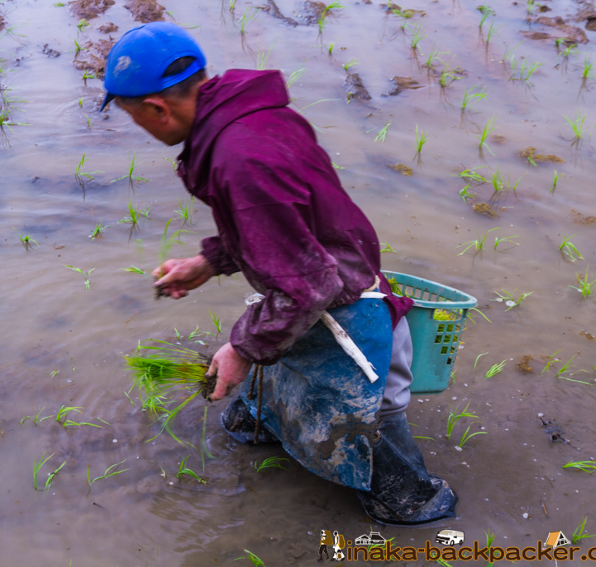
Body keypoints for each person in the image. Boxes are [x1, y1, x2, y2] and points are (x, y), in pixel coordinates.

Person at [100, 22, 457, 526]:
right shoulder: (247, 117)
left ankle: (416, 503)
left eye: (134, 117)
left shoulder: (240, 158)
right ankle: (264, 427)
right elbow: (279, 225)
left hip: (344, 307)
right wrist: (209, 262)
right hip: (313, 284)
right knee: (266, 394)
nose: (141, 128)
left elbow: (310, 287)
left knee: (366, 424)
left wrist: (242, 348)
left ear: (158, 109)